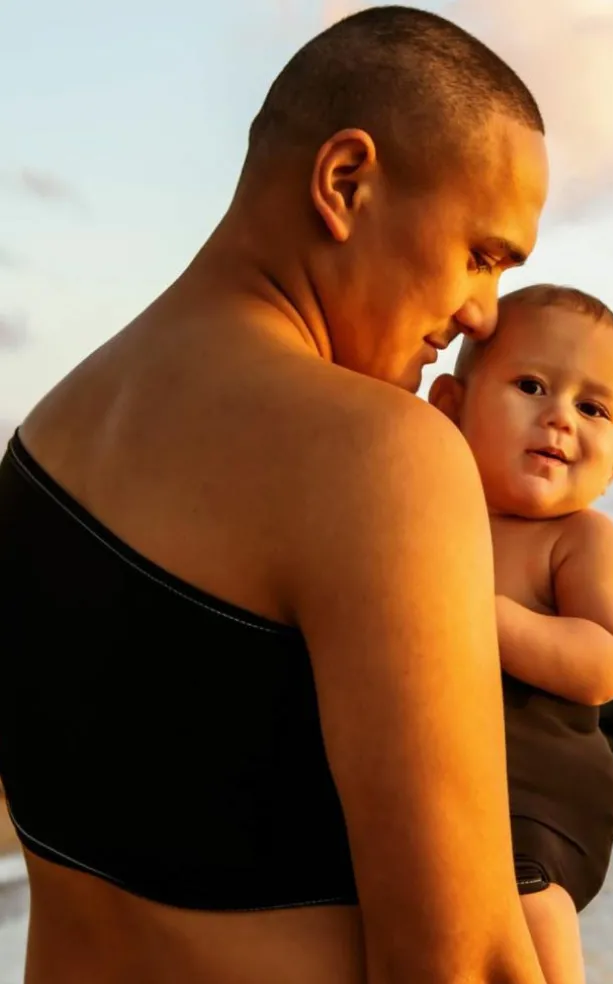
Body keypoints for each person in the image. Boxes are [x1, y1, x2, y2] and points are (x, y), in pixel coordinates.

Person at [0, 7, 551, 984]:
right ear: (345, 183)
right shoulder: (379, 456)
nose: (482, 315)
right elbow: (461, 965)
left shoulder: (42, 442)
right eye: (482, 255)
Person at [428, 285, 613, 984]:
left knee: (527, 901)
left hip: (538, 795)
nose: (559, 418)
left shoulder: (579, 540)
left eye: (592, 408)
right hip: (440, 777)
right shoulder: (426, 512)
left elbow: (605, 661)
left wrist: (483, 614)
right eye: (531, 386)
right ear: (450, 406)